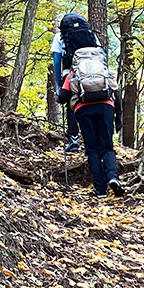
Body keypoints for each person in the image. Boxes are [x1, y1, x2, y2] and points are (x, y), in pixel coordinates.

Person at [58, 47, 124, 197]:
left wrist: (59, 93)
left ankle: (100, 189)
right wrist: (118, 117)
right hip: (106, 107)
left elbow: (63, 97)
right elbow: (115, 92)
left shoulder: (74, 73)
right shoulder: (104, 70)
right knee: (107, 146)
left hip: (83, 109)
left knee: (92, 149)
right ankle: (113, 177)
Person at [51, 13, 103, 152]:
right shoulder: (91, 34)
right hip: (92, 73)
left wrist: (59, 84)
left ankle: (73, 139)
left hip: (70, 74)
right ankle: (94, 140)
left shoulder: (59, 37)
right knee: (91, 102)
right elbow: (101, 55)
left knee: (71, 105)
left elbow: (57, 61)